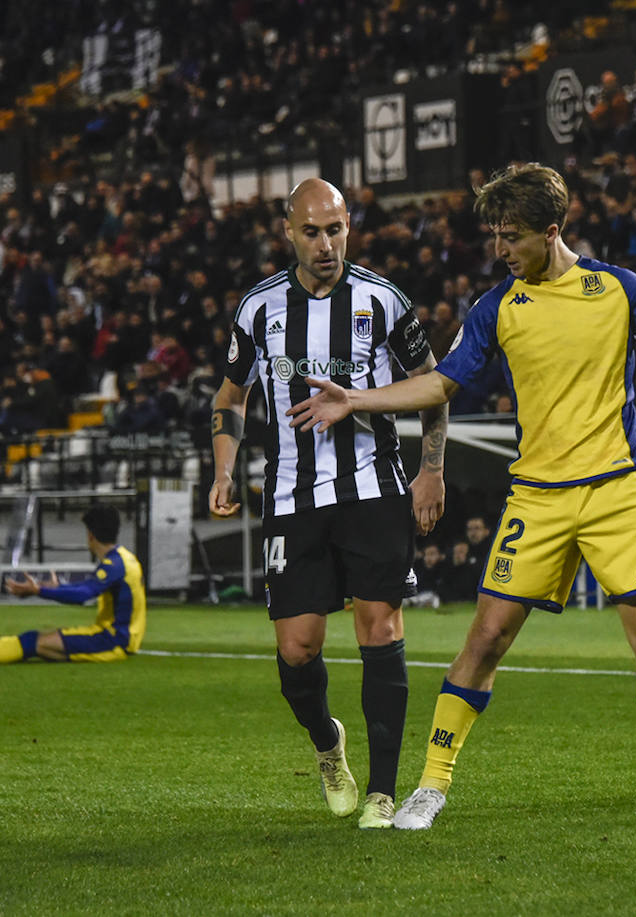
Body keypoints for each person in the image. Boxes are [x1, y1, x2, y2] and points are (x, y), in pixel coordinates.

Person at [288, 162, 636, 830]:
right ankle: (432, 785)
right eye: (496, 236)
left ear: (552, 231)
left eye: (511, 236)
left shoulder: (616, 290)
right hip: (537, 495)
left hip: (618, 488)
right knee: (485, 638)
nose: (500, 249)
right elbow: (442, 383)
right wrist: (357, 399)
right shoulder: (498, 307)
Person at [208, 178, 448, 830]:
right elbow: (229, 399)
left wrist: (431, 473)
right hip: (291, 496)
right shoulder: (258, 308)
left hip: (374, 488)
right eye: (312, 231)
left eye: (336, 229)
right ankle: (327, 744)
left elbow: (434, 386)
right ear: (288, 231)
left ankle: (381, 790)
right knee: (297, 648)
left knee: (380, 625)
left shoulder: (382, 299)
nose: (326, 244)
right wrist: (223, 468)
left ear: (350, 227)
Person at [0, 505, 146, 663]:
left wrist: (39, 590)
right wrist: (54, 588)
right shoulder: (123, 559)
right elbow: (89, 588)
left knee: (32, 642)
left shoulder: (113, 565)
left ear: (90, 535)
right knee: (40, 644)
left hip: (111, 640)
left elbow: (84, 594)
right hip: (120, 639)